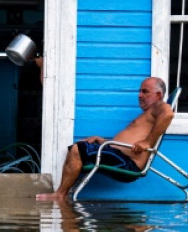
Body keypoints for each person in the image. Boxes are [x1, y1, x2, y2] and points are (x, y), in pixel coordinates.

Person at [36, 76, 174, 201]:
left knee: (78, 149)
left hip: (128, 163)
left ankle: (60, 194)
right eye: (140, 91)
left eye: (145, 92)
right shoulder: (148, 114)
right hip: (119, 156)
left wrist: (147, 142)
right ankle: (63, 192)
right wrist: (102, 141)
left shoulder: (159, 106)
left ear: (158, 95)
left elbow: (168, 114)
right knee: (76, 148)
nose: (140, 95)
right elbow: (127, 140)